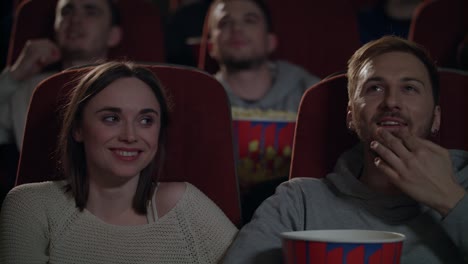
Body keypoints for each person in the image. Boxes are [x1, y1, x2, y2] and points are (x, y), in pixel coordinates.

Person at [222, 36, 468, 263]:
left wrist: (449, 198)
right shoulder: (299, 202)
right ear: (351, 116)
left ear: (436, 118)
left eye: (410, 88)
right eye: (375, 88)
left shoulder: (463, 183)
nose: (392, 101)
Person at [0, 61, 238, 263]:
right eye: (112, 118)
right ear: (78, 129)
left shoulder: (187, 204)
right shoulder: (30, 205)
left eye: (146, 120)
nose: (130, 135)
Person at [207, 0, 320, 223]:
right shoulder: (200, 100)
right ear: (211, 46)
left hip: (297, 211)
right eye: (225, 22)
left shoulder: (309, 91)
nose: (237, 29)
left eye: (249, 20)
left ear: (270, 41)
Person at [0, 0, 122, 149]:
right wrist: (15, 75)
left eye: (91, 12)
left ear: (113, 35)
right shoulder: (30, 89)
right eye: (66, 12)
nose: (75, 20)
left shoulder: (133, 88)